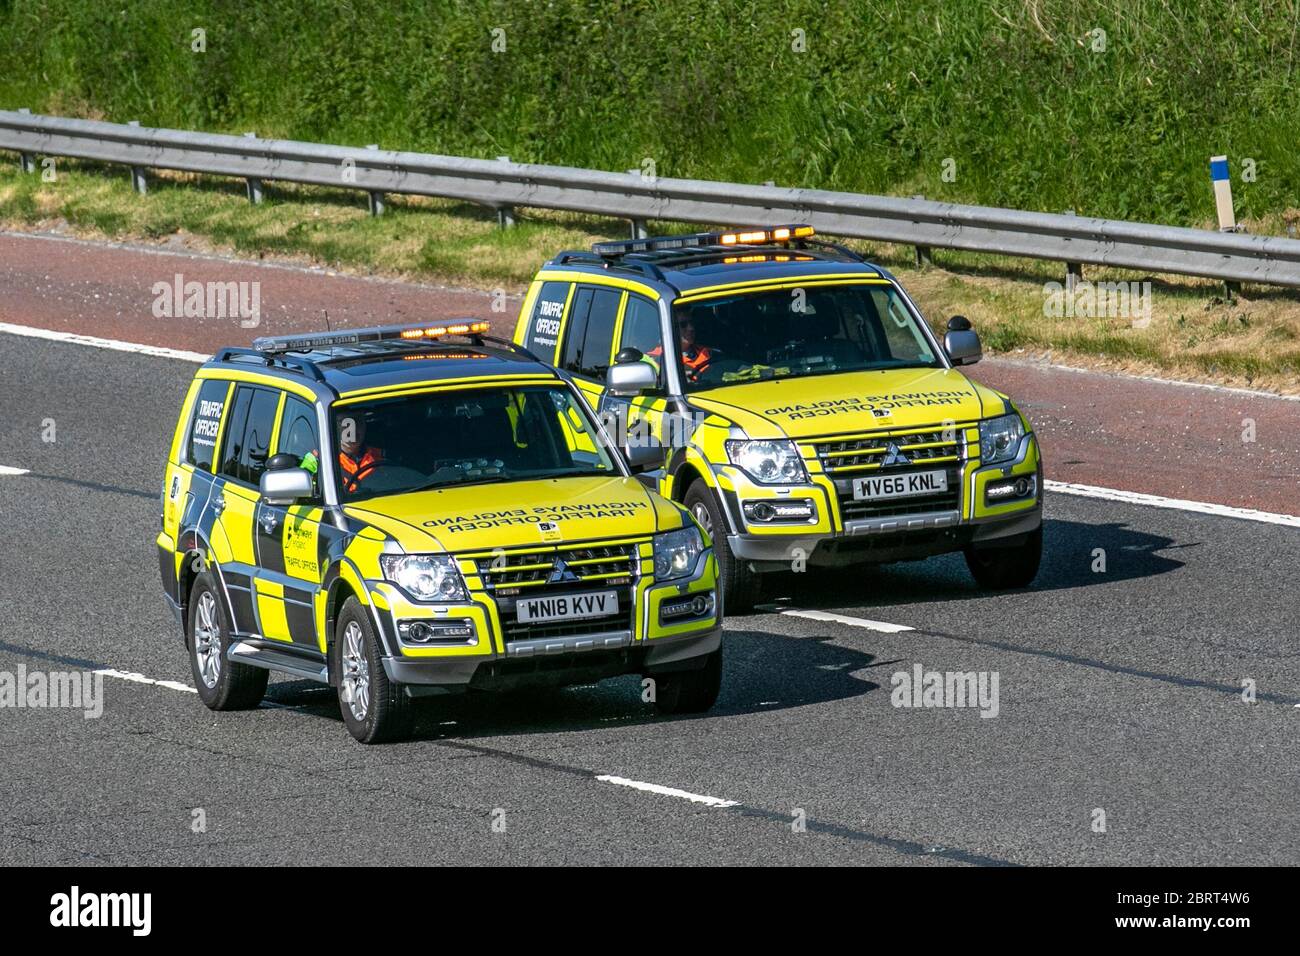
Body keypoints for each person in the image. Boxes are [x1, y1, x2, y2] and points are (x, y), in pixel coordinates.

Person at [649, 316, 714, 382]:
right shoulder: (655, 360)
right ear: (667, 328)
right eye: (683, 325)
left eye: (692, 323)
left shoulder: (710, 353)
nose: (691, 328)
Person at [336, 415, 384, 493]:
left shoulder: (380, 457)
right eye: (346, 422)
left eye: (358, 421)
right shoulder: (325, 461)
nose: (352, 429)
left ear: (364, 425)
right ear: (335, 426)